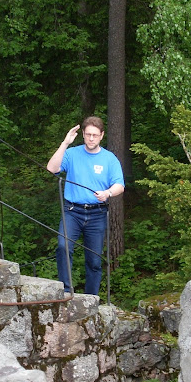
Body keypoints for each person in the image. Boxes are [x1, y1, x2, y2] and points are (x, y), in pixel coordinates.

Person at [47, 116, 125, 295]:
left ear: (102, 135)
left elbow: (119, 185)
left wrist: (108, 193)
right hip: (72, 211)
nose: (91, 138)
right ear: (82, 134)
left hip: (97, 214)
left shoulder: (109, 159)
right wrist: (65, 143)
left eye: (95, 135)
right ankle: (66, 291)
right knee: (63, 246)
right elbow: (51, 168)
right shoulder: (72, 153)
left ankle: (91, 299)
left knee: (94, 260)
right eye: (88, 134)